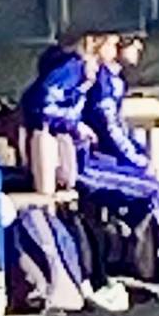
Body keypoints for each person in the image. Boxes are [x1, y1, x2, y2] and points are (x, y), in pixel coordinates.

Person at [80, 34, 159, 259]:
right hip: (95, 162)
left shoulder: (113, 79)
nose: (139, 46)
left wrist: (139, 154)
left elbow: (119, 129)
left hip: (109, 160)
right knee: (152, 191)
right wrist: (137, 160)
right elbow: (109, 129)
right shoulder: (102, 82)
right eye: (132, 40)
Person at [20, 34, 104, 198]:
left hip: (63, 134)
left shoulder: (81, 71)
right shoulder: (70, 68)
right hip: (46, 132)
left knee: (69, 182)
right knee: (48, 190)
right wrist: (75, 125)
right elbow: (44, 105)